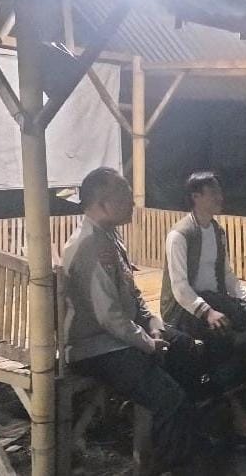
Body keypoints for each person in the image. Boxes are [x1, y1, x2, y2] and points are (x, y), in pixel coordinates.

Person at [62, 167, 203, 470]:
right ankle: (173, 463)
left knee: (186, 348)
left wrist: (152, 323)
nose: (133, 202)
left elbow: (131, 292)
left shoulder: (109, 236)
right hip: (95, 348)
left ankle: (184, 442)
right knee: (171, 400)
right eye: (125, 196)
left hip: (121, 337)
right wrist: (148, 343)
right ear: (102, 204)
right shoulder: (89, 246)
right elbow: (109, 317)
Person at [161, 171, 246, 433]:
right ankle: (236, 411)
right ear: (196, 197)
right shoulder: (179, 235)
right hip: (184, 308)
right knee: (221, 332)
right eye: (213, 193)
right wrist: (207, 312)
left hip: (215, 299)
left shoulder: (217, 231)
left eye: (219, 192)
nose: (219, 197)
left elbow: (227, 275)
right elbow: (179, 287)